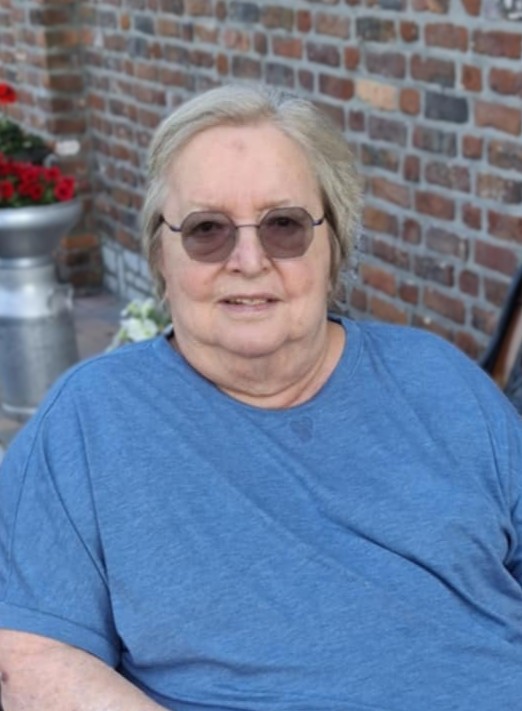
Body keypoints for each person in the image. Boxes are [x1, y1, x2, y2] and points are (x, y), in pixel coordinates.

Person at [0, 83, 521, 711]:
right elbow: (30, 657)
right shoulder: (93, 419)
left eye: (283, 226)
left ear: (334, 244)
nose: (248, 260)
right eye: (207, 229)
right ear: (162, 254)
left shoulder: (439, 380)